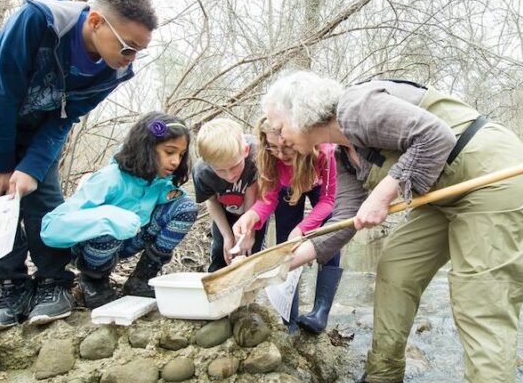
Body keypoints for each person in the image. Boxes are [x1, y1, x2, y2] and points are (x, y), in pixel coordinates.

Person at [263, 72, 523, 383]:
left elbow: (436, 136)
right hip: (442, 197)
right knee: (395, 268)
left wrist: (383, 193)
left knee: (481, 308)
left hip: (493, 180)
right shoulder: (342, 154)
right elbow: (342, 221)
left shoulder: (356, 107)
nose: (278, 136)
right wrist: (283, 260)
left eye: (279, 125)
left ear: (301, 112)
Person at [0, 0, 157, 330]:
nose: (130, 59)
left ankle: (53, 282)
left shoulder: (114, 71)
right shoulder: (40, 22)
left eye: (138, 51)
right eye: (128, 47)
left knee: (44, 194)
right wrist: (2, 164)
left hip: (45, 122)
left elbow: (66, 117)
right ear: (96, 21)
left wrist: (32, 167)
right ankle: (10, 285)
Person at [41, 113, 198, 308]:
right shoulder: (109, 179)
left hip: (129, 240)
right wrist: (109, 216)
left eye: (181, 155)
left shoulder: (160, 182)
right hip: (92, 247)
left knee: (186, 207)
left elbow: (178, 208)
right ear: (147, 148)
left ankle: (141, 278)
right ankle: (93, 282)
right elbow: (51, 228)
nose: (176, 161)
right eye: (169, 152)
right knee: (113, 224)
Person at [232, 116, 341, 333]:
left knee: (330, 233)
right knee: (286, 242)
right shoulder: (269, 157)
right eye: (273, 147)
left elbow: (328, 201)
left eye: (286, 147)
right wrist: (251, 216)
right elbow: (268, 198)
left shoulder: (326, 152)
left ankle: (320, 311)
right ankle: (288, 318)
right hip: (286, 188)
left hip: (318, 183)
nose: (281, 154)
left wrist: (303, 228)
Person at [192, 118, 267, 272]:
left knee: (251, 250)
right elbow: (212, 202)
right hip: (225, 212)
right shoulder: (202, 172)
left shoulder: (256, 155)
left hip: (253, 210)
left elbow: (252, 192)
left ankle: (248, 292)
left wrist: (249, 233)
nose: (230, 175)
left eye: (234, 166)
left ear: (245, 151)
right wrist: (227, 236)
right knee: (221, 250)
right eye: (220, 170)